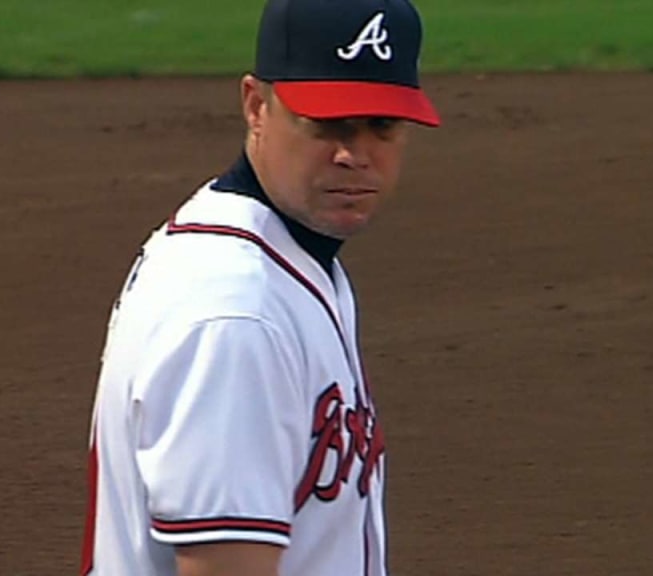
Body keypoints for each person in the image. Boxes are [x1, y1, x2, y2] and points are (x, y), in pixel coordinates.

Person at [79, 0, 440, 574]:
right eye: (327, 123)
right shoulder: (235, 313)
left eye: (383, 126)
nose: (355, 155)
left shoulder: (288, 254)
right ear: (256, 106)